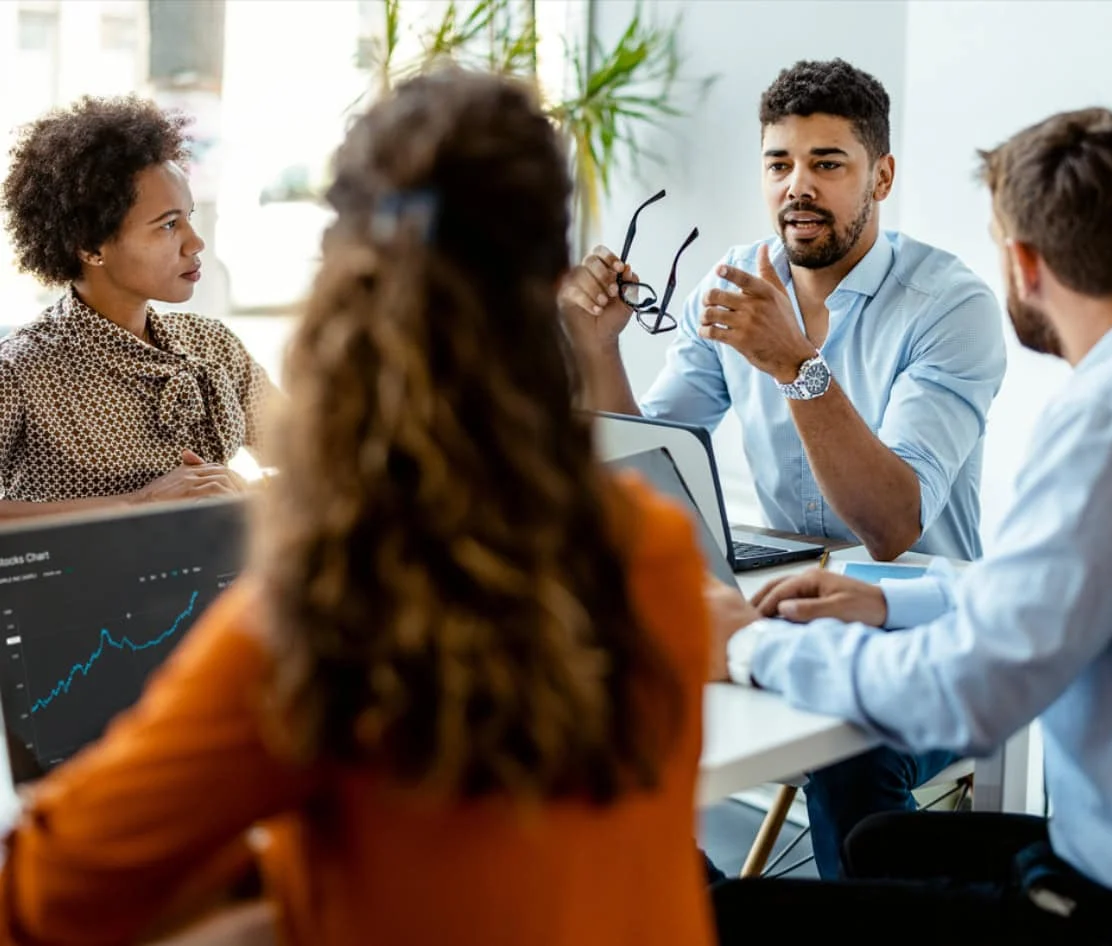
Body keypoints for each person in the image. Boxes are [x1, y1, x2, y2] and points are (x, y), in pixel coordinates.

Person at [0, 71, 714, 946]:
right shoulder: (659, 549)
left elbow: (47, 893)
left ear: (344, 291)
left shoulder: (319, 616)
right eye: (167, 222)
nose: (192, 242)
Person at [706, 106, 1112, 945]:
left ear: (1024, 263)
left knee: (713, 910)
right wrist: (886, 605)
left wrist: (749, 647)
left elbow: (967, 696)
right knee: (876, 842)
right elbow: (1061, 596)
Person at [562, 57, 1006, 880]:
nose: (798, 186)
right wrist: (599, 349)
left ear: (882, 175)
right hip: (781, 605)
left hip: (925, 623)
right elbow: (648, 462)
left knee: (851, 758)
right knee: (599, 695)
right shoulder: (733, 285)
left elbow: (892, 523)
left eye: (828, 163)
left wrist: (797, 366)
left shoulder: (952, 307)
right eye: (780, 164)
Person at [0, 95, 276, 519]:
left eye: (188, 216)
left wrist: (247, 494)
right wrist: (136, 504)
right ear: (91, 246)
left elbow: (313, 456)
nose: (195, 242)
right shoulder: (20, 371)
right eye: (168, 225)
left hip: (224, 582)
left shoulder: (212, 344)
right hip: (90, 587)